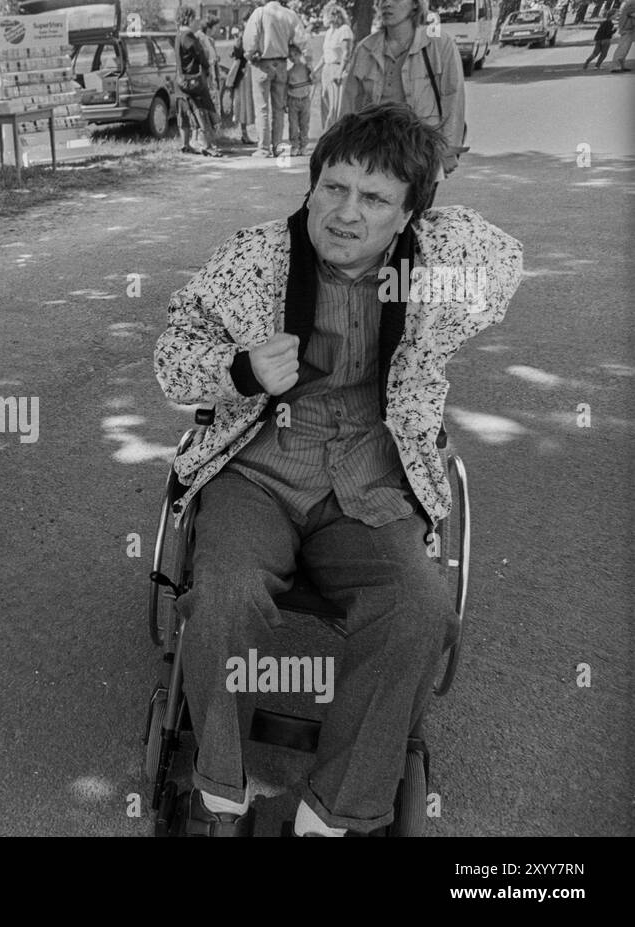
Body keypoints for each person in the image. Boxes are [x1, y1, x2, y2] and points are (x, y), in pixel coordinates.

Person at [153, 102, 523, 837]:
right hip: (258, 470)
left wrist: (422, 218)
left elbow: (506, 263)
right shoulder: (255, 259)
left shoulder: (430, 276)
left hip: (370, 476)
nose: (346, 212)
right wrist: (241, 367)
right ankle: (219, 791)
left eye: (375, 197)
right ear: (311, 184)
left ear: (409, 213)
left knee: (418, 607)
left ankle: (326, 813)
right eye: (333, 187)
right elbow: (171, 358)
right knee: (225, 593)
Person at [337, 0, 466, 177]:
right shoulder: (365, 49)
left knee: (417, 205)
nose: (387, 4)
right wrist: (340, 152)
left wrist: (448, 150)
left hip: (422, 153)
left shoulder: (439, 43)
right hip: (374, 154)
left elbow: (454, 98)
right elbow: (349, 106)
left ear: (415, 4)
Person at [243, 0, 310, 157]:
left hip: (262, 64)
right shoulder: (289, 14)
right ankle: (278, 148)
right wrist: (308, 63)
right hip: (281, 63)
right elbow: (301, 39)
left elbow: (250, 39)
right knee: (279, 109)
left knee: (262, 107)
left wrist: (250, 55)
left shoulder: (259, 13)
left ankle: (264, 148)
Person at [176, 6, 225, 156]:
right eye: (193, 17)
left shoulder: (178, 35)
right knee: (202, 110)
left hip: (181, 79)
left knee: (183, 111)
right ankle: (207, 145)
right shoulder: (188, 35)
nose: (195, 20)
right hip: (194, 79)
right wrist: (207, 67)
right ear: (189, 17)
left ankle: (185, 145)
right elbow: (200, 54)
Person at [318, 2, 354, 126]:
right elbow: (325, 54)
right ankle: (326, 133)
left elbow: (346, 52)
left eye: (326, 15)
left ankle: (335, 133)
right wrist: (315, 71)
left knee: (335, 107)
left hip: (337, 68)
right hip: (326, 69)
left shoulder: (344, 30)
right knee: (324, 101)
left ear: (334, 15)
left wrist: (339, 72)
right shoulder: (329, 32)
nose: (324, 18)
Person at [285, 44, 313, 156]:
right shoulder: (289, 72)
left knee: (304, 124)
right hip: (293, 100)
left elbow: (314, 78)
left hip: (305, 99)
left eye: (295, 55)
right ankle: (294, 146)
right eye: (290, 56)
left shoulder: (306, 68)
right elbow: (286, 88)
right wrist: (285, 101)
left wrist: (310, 64)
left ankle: (304, 146)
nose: (293, 58)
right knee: (293, 125)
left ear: (300, 54)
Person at [611, 0, 635, 70]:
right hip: (627, 28)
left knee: (625, 48)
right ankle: (615, 66)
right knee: (623, 48)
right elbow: (631, 13)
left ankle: (621, 66)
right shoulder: (632, 2)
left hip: (629, 28)